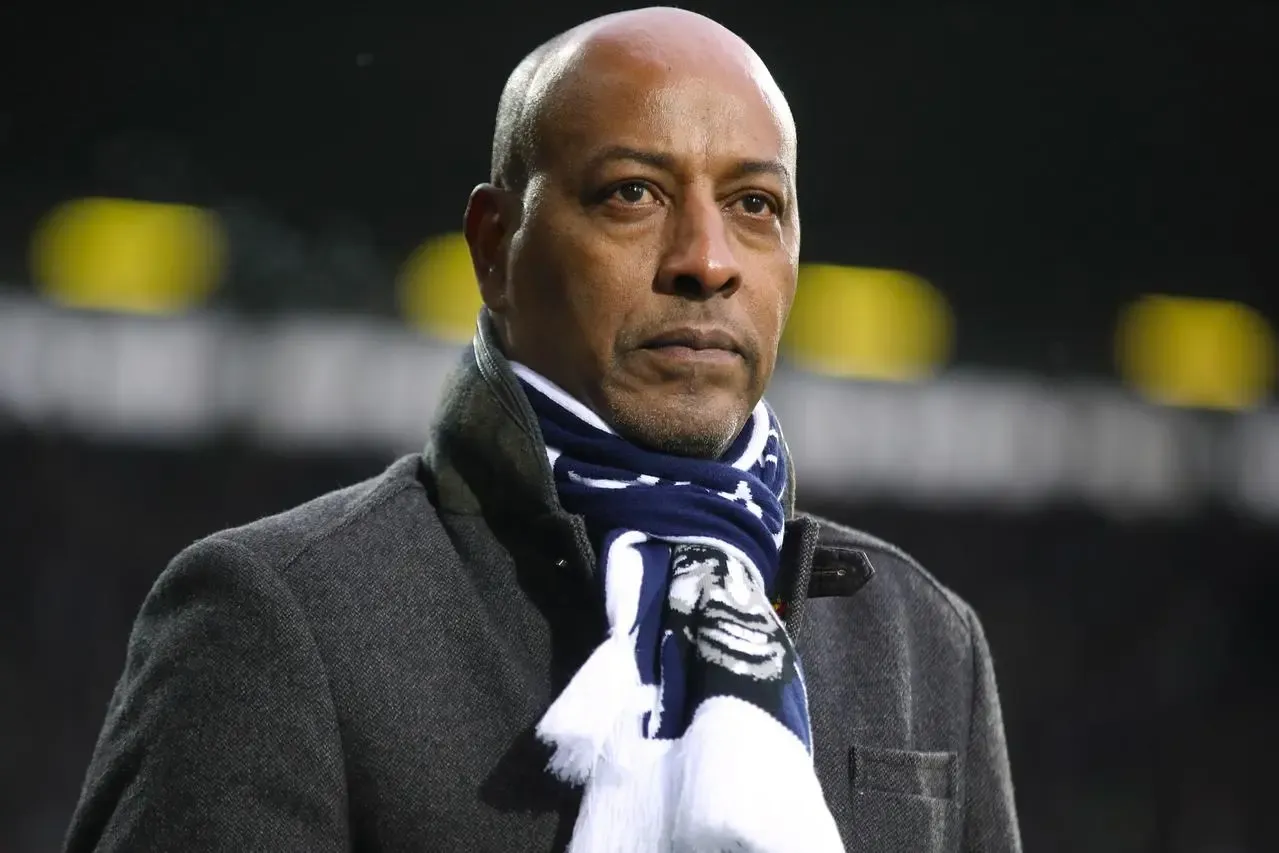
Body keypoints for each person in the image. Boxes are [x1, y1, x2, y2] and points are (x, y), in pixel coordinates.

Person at [63, 7, 1021, 853]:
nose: (705, 260)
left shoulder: (921, 641)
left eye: (753, 205)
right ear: (494, 248)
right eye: (632, 194)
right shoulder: (278, 618)